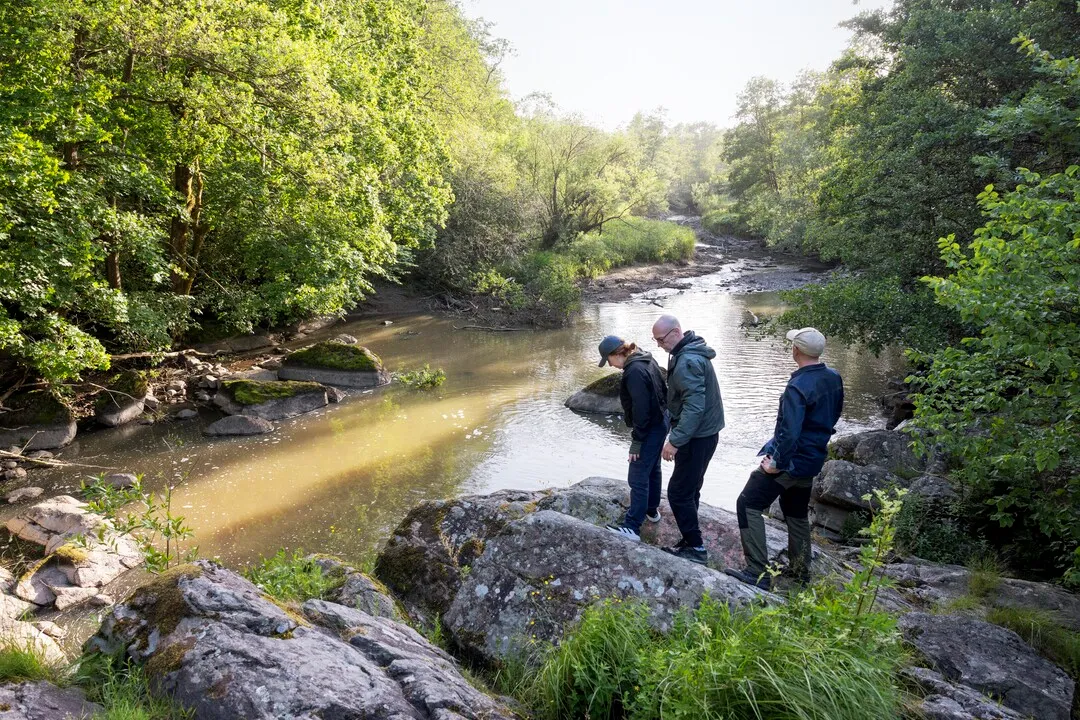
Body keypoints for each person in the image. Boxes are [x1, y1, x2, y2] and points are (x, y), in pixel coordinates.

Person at [727, 327, 844, 590]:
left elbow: (789, 433)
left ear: (796, 351)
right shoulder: (833, 377)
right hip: (812, 459)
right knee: (796, 513)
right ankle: (800, 574)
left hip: (790, 461)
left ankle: (757, 572)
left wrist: (776, 463)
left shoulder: (797, 386)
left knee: (748, 503)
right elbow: (835, 415)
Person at [652, 314, 724, 565]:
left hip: (696, 436)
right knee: (691, 487)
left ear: (675, 333)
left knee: (678, 492)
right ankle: (689, 538)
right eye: (656, 341)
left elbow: (695, 407)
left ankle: (696, 547)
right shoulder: (690, 351)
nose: (659, 345)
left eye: (661, 340)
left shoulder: (687, 361)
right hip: (705, 433)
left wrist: (675, 440)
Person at [596, 335, 669, 542]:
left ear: (616, 354)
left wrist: (636, 442)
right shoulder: (646, 358)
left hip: (650, 427)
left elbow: (641, 410)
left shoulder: (634, 372)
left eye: (608, 360)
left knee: (637, 476)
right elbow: (663, 391)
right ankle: (651, 511)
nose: (610, 365)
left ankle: (632, 527)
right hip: (662, 421)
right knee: (653, 469)